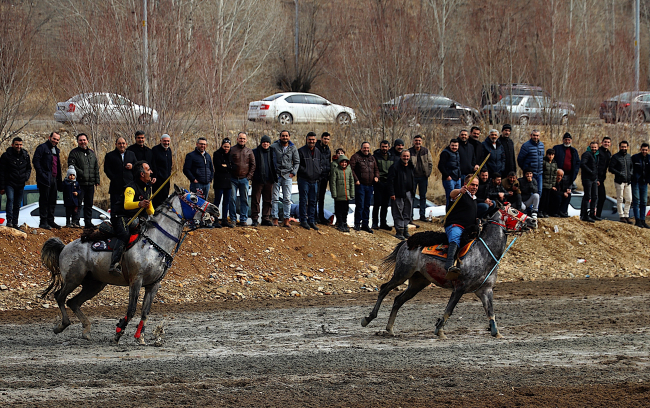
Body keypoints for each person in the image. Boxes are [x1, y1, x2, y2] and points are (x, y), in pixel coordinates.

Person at [108, 161, 154, 276]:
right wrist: (140, 204)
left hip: (137, 218)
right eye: (148, 170)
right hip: (121, 216)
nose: (151, 172)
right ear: (142, 174)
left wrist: (148, 206)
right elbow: (127, 205)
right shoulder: (130, 187)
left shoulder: (148, 189)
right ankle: (114, 264)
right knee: (124, 234)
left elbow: (151, 211)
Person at [444, 175, 479, 280]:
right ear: (466, 184)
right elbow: (452, 194)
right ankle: (449, 265)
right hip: (455, 225)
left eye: (477, 185)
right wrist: (460, 190)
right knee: (456, 237)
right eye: (472, 184)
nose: (475, 187)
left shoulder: (474, 199)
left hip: (468, 229)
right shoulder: (460, 194)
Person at [67, 133, 100, 228]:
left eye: (84, 140)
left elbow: (96, 167)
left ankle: (88, 222)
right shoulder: (74, 153)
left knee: (89, 204)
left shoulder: (92, 153)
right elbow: (71, 165)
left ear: (87, 141)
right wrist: (81, 173)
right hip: (79, 183)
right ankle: (75, 222)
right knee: (77, 204)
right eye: (80, 140)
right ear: (77, 142)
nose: (82, 142)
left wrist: (97, 179)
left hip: (90, 184)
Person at [32, 132, 63, 230]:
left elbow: (57, 166)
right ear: (49, 137)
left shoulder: (56, 150)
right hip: (45, 179)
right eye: (54, 139)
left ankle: (50, 221)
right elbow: (35, 161)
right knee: (44, 200)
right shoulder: (42, 148)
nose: (55, 141)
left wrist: (59, 180)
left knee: (53, 201)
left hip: (54, 179)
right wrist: (42, 174)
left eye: (57, 140)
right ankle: (43, 222)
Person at [0, 137, 31, 230]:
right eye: (17, 144)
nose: (19, 146)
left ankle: (15, 223)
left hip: (21, 183)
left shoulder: (25, 155)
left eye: (20, 144)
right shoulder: (6, 156)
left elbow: (29, 168)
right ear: (12, 145)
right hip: (10, 182)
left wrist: (26, 177)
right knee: (10, 199)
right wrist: (2, 186)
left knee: (17, 204)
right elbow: (1, 172)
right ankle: (9, 220)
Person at [271, 130, 299, 228]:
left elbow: (297, 162)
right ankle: (275, 219)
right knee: (274, 198)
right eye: (283, 136)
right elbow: (269, 159)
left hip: (287, 175)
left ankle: (286, 219)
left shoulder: (293, 148)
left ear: (289, 137)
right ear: (280, 137)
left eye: (286, 136)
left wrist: (293, 172)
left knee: (287, 198)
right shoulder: (274, 147)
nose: (285, 137)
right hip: (276, 175)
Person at [350, 141, 379, 233]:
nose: (366, 149)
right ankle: (357, 223)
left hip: (370, 185)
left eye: (367, 148)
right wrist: (356, 180)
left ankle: (365, 224)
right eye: (364, 148)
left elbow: (376, 169)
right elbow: (351, 169)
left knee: (367, 206)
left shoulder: (372, 158)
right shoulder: (355, 157)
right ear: (361, 148)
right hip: (360, 185)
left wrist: (376, 176)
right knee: (360, 205)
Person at [104, 137, 137, 215]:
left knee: (129, 208)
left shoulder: (131, 154)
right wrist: (114, 178)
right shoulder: (110, 155)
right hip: (116, 187)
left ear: (126, 144)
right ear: (116, 144)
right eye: (119, 143)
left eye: (123, 143)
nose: (121, 145)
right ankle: (115, 225)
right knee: (116, 208)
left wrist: (132, 166)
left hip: (129, 186)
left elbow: (137, 167)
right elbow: (107, 169)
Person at [229, 132, 255, 226]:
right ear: (237, 139)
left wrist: (249, 177)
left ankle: (243, 219)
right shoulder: (232, 150)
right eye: (240, 138)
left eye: (244, 139)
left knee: (244, 199)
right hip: (233, 179)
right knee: (232, 199)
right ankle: (233, 219)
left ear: (246, 140)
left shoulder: (249, 151)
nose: (242, 140)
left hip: (244, 179)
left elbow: (253, 165)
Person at [251, 135, 278, 227]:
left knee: (268, 200)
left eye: (267, 142)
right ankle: (255, 219)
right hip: (257, 179)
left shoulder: (273, 152)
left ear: (269, 143)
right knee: (255, 200)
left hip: (269, 179)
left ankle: (265, 218)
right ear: (261, 143)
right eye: (264, 142)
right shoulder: (255, 152)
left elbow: (275, 164)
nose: (265, 144)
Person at [388, 150, 415, 240]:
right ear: (400, 156)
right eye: (404, 156)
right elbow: (390, 181)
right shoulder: (395, 167)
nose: (406, 158)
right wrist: (392, 193)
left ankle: (405, 229)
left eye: (407, 156)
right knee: (398, 211)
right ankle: (399, 231)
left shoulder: (411, 166)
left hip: (409, 192)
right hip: (398, 193)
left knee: (407, 211)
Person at [297, 132, 321, 230]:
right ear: (306, 139)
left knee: (313, 201)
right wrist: (306, 171)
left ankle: (311, 220)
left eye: (313, 139)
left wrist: (319, 171)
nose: (311, 141)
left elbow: (321, 164)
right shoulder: (301, 151)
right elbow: (297, 165)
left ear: (315, 140)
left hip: (314, 180)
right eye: (310, 139)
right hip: (304, 179)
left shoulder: (318, 151)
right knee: (303, 200)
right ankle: (303, 220)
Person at [553, 133, 580, 217]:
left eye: (569, 140)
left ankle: (564, 211)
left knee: (568, 193)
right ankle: (555, 211)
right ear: (563, 140)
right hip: (558, 175)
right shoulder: (557, 148)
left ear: (571, 141)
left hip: (569, 176)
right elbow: (552, 160)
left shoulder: (574, 151)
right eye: (565, 140)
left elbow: (577, 163)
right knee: (558, 193)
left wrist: (574, 174)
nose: (567, 141)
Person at [408, 135, 433, 221]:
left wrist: (428, 173)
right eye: (416, 141)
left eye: (419, 141)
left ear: (421, 142)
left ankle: (422, 215)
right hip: (413, 177)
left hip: (423, 177)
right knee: (411, 196)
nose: (417, 142)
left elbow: (430, 163)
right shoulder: (410, 151)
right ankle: (410, 215)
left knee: (423, 196)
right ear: (413, 141)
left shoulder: (425, 151)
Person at [608, 140, 633, 224]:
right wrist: (619, 173)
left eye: (625, 147)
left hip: (628, 181)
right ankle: (621, 215)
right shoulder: (615, 157)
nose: (623, 148)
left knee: (629, 199)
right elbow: (610, 168)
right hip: (619, 181)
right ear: (619, 147)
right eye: (622, 147)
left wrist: (631, 174)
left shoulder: (629, 157)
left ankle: (626, 215)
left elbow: (631, 167)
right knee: (620, 198)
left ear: (627, 147)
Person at [517, 129, 544, 202]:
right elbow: (520, 159)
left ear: (539, 136)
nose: (536, 137)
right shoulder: (526, 145)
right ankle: (528, 209)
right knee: (528, 191)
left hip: (539, 173)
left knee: (539, 191)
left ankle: (535, 210)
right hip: (529, 174)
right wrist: (526, 170)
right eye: (534, 135)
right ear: (531, 135)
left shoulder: (541, 145)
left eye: (537, 135)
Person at [329, 154, 354, 232]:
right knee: (338, 210)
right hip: (339, 195)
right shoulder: (335, 170)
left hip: (347, 195)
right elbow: (332, 183)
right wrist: (334, 194)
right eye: (342, 162)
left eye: (345, 162)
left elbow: (351, 182)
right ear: (339, 163)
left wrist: (352, 193)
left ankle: (344, 223)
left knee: (345, 210)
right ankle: (340, 223)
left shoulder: (349, 170)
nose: (344, 164)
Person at [213, 138, 233, 228]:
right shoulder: (216, 154)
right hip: (219, 182)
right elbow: (218, 167)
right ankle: (215, 219)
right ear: (222, 146)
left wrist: (227, 166)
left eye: (228, 147)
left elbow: (234, 167)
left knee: (226, 202)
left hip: (228, 182)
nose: (226, 148)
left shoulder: (231, 154)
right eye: (225, 146)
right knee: (217, 201)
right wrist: (228, 167)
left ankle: (224, 219)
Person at [372, 140, 393, 230]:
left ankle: (383, 223)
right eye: (383, 146)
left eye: (386, 147)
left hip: (388, 183)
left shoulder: (392, 157)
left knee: (385, 204)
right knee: (377, 203)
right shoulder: (375, 156)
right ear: (380, 147)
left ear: (389, 147)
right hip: (379, 182)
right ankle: (375, 223)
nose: (384, 148)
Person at [151, 134, 173, 210]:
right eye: (164, 141)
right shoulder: (155, 150)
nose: (166, 143)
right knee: (157, 199)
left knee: (165, 198)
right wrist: (155, 176)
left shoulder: (169, 150)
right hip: (158, 179)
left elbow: (169, 164)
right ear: (160, 141)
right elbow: (153, 164)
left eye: (168, 141)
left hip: (167, 179)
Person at [438, 138, 461, 209]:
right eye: (453, 145)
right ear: (449, 145)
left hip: (457, 178)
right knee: (450, 198)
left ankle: (455, 215)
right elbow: (440, 166)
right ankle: (448, 216)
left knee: (458, 198)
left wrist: (459, 176)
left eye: (456, 146)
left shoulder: (457, 153)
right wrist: (447, 176)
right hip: (449, 179)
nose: (454, 147)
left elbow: (458, 165)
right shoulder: (445, 153)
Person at [580, 141, 600, 223]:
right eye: (592, 147)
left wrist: (596, 178)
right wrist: (590, 172)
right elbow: (582, 164)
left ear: (597, 148)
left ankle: (592, 214)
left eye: (595, 147)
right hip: (587, 178)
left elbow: (596, 168)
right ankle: (584, 215)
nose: (594, 149)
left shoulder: (596, 155)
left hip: (594, 179)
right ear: (590, 147)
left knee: (595, 196)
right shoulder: (587, 154)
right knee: (587, 196)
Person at [631, 142, 650, 228]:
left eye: (646, 150)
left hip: (644, 182)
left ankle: (643, 220)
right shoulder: (635, 157)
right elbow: (630, 168)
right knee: (636, 201)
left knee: (644, 202)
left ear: (648, 150)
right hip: (635, 181)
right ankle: (637, 220)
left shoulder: (649, 158)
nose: (644, 151)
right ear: (640, 149)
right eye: (643, 149)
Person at [315, 132, 332, 224]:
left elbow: (328, 162)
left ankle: (321, 217)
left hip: (325, 176)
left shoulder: (328, 150)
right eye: (325, 138)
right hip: (317, 176)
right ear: (321, 138)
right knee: (315, 197)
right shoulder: (316, 148)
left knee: (322, 198)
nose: (326, 140)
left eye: (328, 139)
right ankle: (314, 216)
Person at [595, 137, 612, 219]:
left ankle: (598, 215)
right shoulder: (598, 151)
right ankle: (591, 214)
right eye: (605, 142)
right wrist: (596, 178)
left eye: (608, 142)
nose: (606, 143)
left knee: (602, 197)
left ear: (610, 144)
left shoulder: (608, 153)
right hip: (595, 177)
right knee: (593, 196)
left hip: (602, 179)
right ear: (602, 142)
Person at [539, 149, 558, 218]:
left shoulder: (554, 164)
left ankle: (545, 212)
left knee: (547, 199)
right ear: (547, 155)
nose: (550, 156)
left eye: (552, 155)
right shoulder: (543, 162)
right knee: (543, 199)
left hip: (550, 185)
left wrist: (553, 185)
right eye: (549, 154)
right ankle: (540, 211)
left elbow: (554, 175)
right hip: (543, 184)